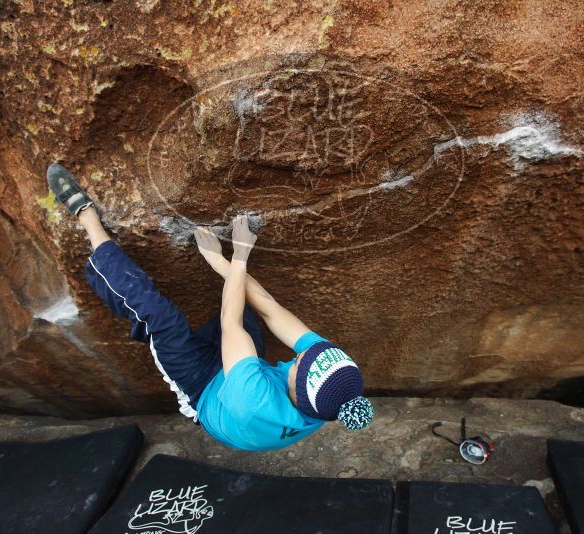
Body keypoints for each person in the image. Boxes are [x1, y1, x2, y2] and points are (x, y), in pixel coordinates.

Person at [46, 163, 374, 451]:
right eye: (310, 352)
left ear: (297, 393)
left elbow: (229, 323)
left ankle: (87, 218)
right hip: (240, 378)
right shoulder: (331, 384)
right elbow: (270, 308)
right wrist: (223, 266)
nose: (298, 353)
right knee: (247, 312)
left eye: (299, 363)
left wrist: (236, 256)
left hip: (203, 391)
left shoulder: (254, 400)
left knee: (160, 318)